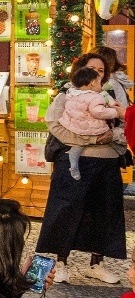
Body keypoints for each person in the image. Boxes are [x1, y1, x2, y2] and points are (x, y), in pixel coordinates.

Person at [36, 52, 126, 285]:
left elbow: (127, 122)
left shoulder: (112, 93)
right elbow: (54, 124)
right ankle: (61, 263)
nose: (97, 74)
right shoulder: (67, 93)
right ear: (80, 70)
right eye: (92, 69)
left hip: (107, 160)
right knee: (66, 210)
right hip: (73, 160)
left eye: (101, 71)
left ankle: (97, 264)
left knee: (105, 212)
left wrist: (114, 135)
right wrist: (89, 140)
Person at [59, 65, 121, 181]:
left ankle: (74, 162)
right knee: (104, 135)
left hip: (74, 125)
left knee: (78, 145)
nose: (101, 85)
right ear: (92, 83)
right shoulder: (94, 97)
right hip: (90, 127)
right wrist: (116, 112)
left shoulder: (72, 93)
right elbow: (98, 112)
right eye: (99, 83)